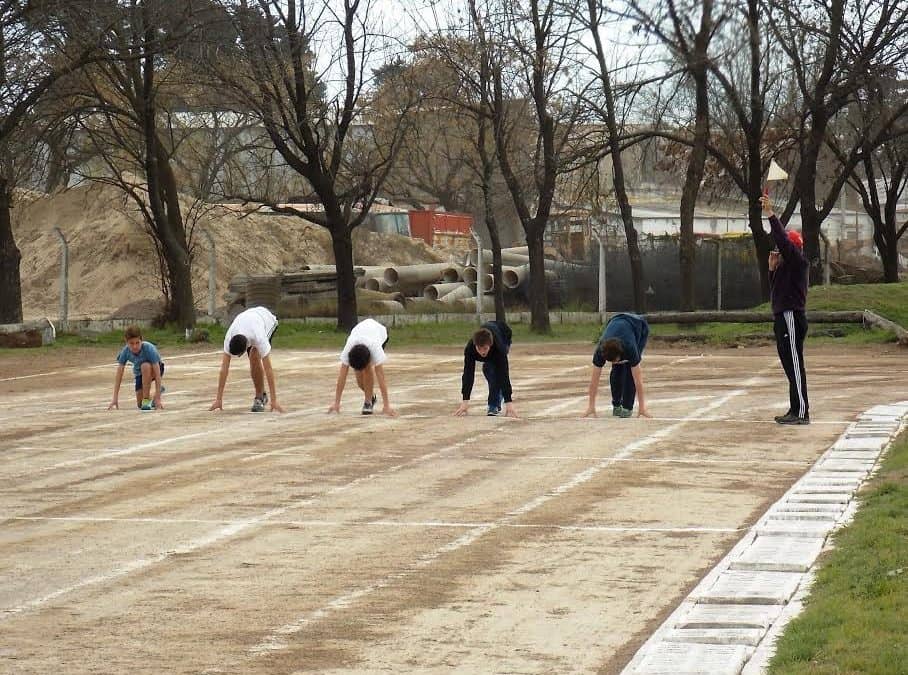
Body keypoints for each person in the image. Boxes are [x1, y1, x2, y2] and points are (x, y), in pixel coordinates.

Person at [761, 195, 809, 425]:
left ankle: (801, 412)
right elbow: (777, 294)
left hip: (791, 316)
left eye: (781, 252)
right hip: (782, 316)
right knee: (789, 365)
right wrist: (771, 271)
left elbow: (783, 241)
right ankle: (795, 408)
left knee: (795, 365)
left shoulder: (797, 262)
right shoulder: (784, 269)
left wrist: (771, 215)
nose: (778, 255)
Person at [210, 306, 284, 413]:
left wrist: (274, 400)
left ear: (245, 348)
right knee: (253, 355)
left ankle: (260, 397)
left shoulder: (259, 337)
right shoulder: (229, 337)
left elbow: (268, 369)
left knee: (254, 354)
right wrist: (218, 399)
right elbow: (223, 370)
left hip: (266, 319)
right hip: (249, 318)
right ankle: (261, 394)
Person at [584, 313, 650, 418]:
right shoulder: (600, 350)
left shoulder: (630, 348)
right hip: (615, 320)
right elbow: (594, 381)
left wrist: (642, 407)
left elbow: (638, 380)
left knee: (629, 369)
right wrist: (591, 405)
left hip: (639, 326)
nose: (614, 362)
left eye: (615, 360)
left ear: (620, 353)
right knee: (616, 370)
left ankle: (627, 406)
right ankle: (616, 404)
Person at [328, 318, 398, 416]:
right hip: (362, 333)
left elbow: (381, 376)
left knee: (367, 369)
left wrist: (386, 405)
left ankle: (368, 402)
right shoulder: (349, 347)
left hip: (380, 333)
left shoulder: (375, 348)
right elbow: (342, 375)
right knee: (359, 378)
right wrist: (336, 403)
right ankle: (371, 397)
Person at [454, 320, 518, 417]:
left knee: (496, 373)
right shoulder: (470, 349)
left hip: (504, 335)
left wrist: (509, 403)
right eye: (479, 349)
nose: (482, 352)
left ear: (490, 345)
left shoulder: (498, 349)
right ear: (475, 345)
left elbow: (504, 374)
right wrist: (465, 402)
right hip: (491, 333)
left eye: (485, 349)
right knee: (488, 370)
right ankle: (498, 393)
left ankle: (493, 405)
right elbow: (468, 374)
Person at [108, 325, 165, 411]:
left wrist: (158, 398)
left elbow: (157, 373)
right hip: (139, 373)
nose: (135, 346)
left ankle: (147, 400)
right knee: (139, 404)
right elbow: (119, 374)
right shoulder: (125, 352)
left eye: (137, 343)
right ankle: (153, 396)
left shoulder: (149, 348)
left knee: (145, 366)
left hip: (155, 369)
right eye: (131, 343)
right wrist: (115, 398)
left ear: (141, 340)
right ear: (126, 342)